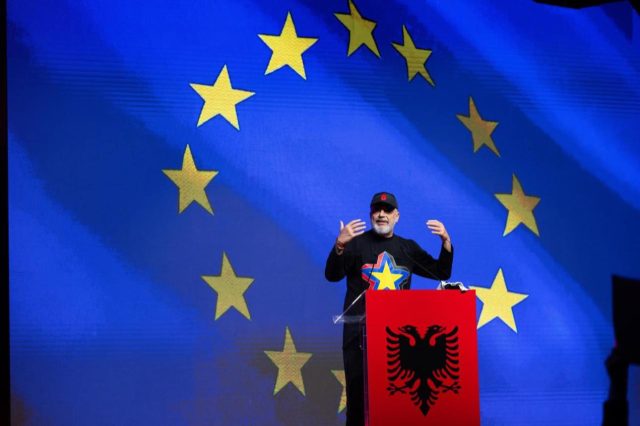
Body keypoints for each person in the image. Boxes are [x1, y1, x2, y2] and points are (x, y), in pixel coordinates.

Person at [325, 192, 454, 426]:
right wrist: (340, 245)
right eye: (377, 210)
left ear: (397, 216)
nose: (381, 214)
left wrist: (446, 242)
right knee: (358, 402)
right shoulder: (355, 244)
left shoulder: (407, 248)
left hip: (396, 339)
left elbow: (441, 272)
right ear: (370, 215)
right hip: (359, 337)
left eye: (387, 210)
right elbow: (332, 275)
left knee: (395, 403)